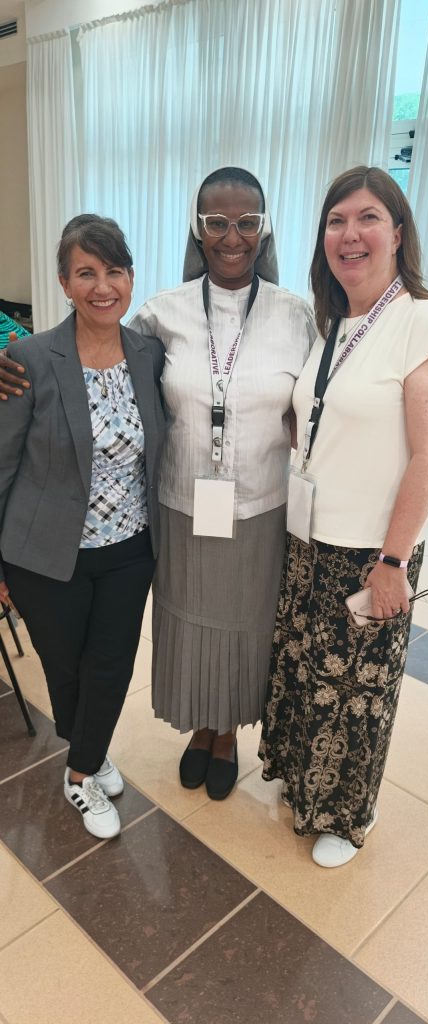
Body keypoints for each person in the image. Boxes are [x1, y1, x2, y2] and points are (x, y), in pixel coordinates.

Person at [0, 168, 315, 801]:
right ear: (197, 229)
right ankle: (198, 729)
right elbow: (89, 350)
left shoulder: (296, 314)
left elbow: (322, 393)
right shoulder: (160, 315)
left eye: (246, 222)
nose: (231, 236)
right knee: (189, 623)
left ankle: (225, 733)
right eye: (216, 222)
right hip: (177, 505)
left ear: (265, 228)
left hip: (259, 504)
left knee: (244, 624)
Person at [259, 165, 428, 867]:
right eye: (336, 221)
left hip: (373, 549)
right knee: (309, 676)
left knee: (357, 696)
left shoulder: (421, 319)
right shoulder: (333, 321)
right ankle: (304, 788)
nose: (350, 234)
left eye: (368, 218)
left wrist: (394, 562)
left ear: (397, 233)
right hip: (310, 536)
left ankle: (345, 816)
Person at [0, 214, 165, 839]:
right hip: (44, 554)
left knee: (112, 663)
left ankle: (80, 770)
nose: (102, 287)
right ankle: (90, 752)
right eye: (86, 273)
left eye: (113, 271)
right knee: (65, 667)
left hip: (130, 547)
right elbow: (2, 464)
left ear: (130, 278)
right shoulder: (29, 358)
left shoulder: (149, 354)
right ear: (64, 283)